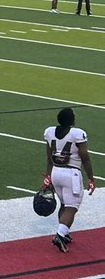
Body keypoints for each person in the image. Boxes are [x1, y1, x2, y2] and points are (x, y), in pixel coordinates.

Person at [43, 106, 94, 252]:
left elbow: (49, 157)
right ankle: (59, 235)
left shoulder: (50, 132)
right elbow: (85, 158)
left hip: (56, 173)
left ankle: (64, 234)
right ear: (72, 120)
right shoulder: (77, 134)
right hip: (71, 174)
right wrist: (91, 178)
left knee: (64, 205)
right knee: (72, 207)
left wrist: (48, 176)